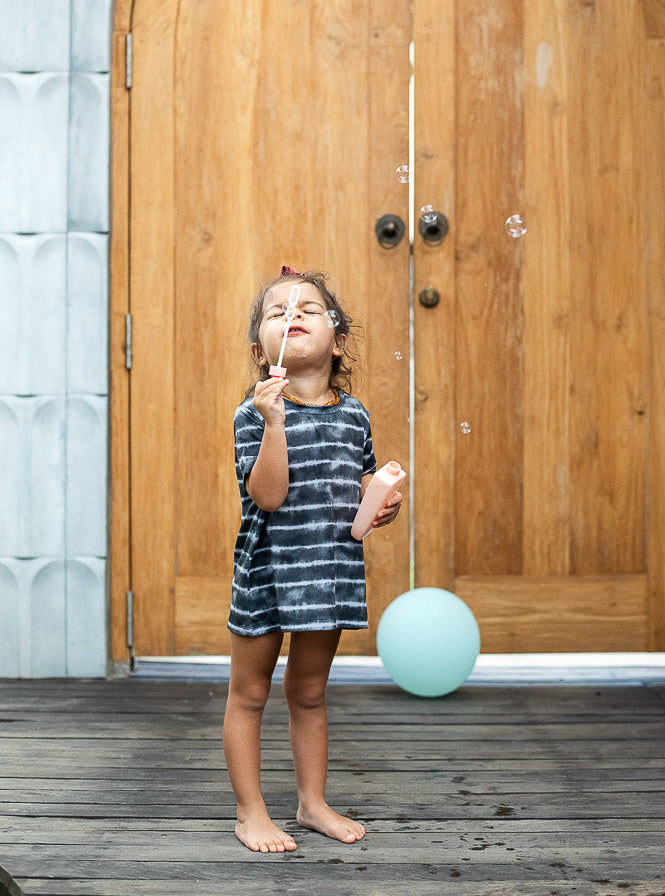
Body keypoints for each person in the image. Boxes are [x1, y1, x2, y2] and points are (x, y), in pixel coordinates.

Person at [223, 267, 403, 853]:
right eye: (276, 312)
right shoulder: (254, 414)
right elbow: (269, 495)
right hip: (271, 575)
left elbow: (361, 487)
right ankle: (251, 812)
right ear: (260, 350)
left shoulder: (355, 415)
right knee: (249, 693)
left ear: (339, 340)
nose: (291, 314)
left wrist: (382, 504)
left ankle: (311, 803)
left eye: (307, 309)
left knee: (309, 692)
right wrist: (275, 421)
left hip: (327, 575)